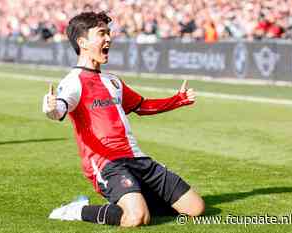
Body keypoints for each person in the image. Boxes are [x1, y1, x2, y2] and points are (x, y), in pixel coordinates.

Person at [42, 11, 205, 227]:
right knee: (137, 218)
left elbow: (141, 106)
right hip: (107, 163)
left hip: (137, 158)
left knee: (196, 209)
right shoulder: (73, 82)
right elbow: (60, 108)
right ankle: (77, 210)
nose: (109, 38)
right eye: (102, 33)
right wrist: (50, 107)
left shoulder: (113, 81)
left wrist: (177, 100)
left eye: (109, 33)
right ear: (83, 42)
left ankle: (136, 197)